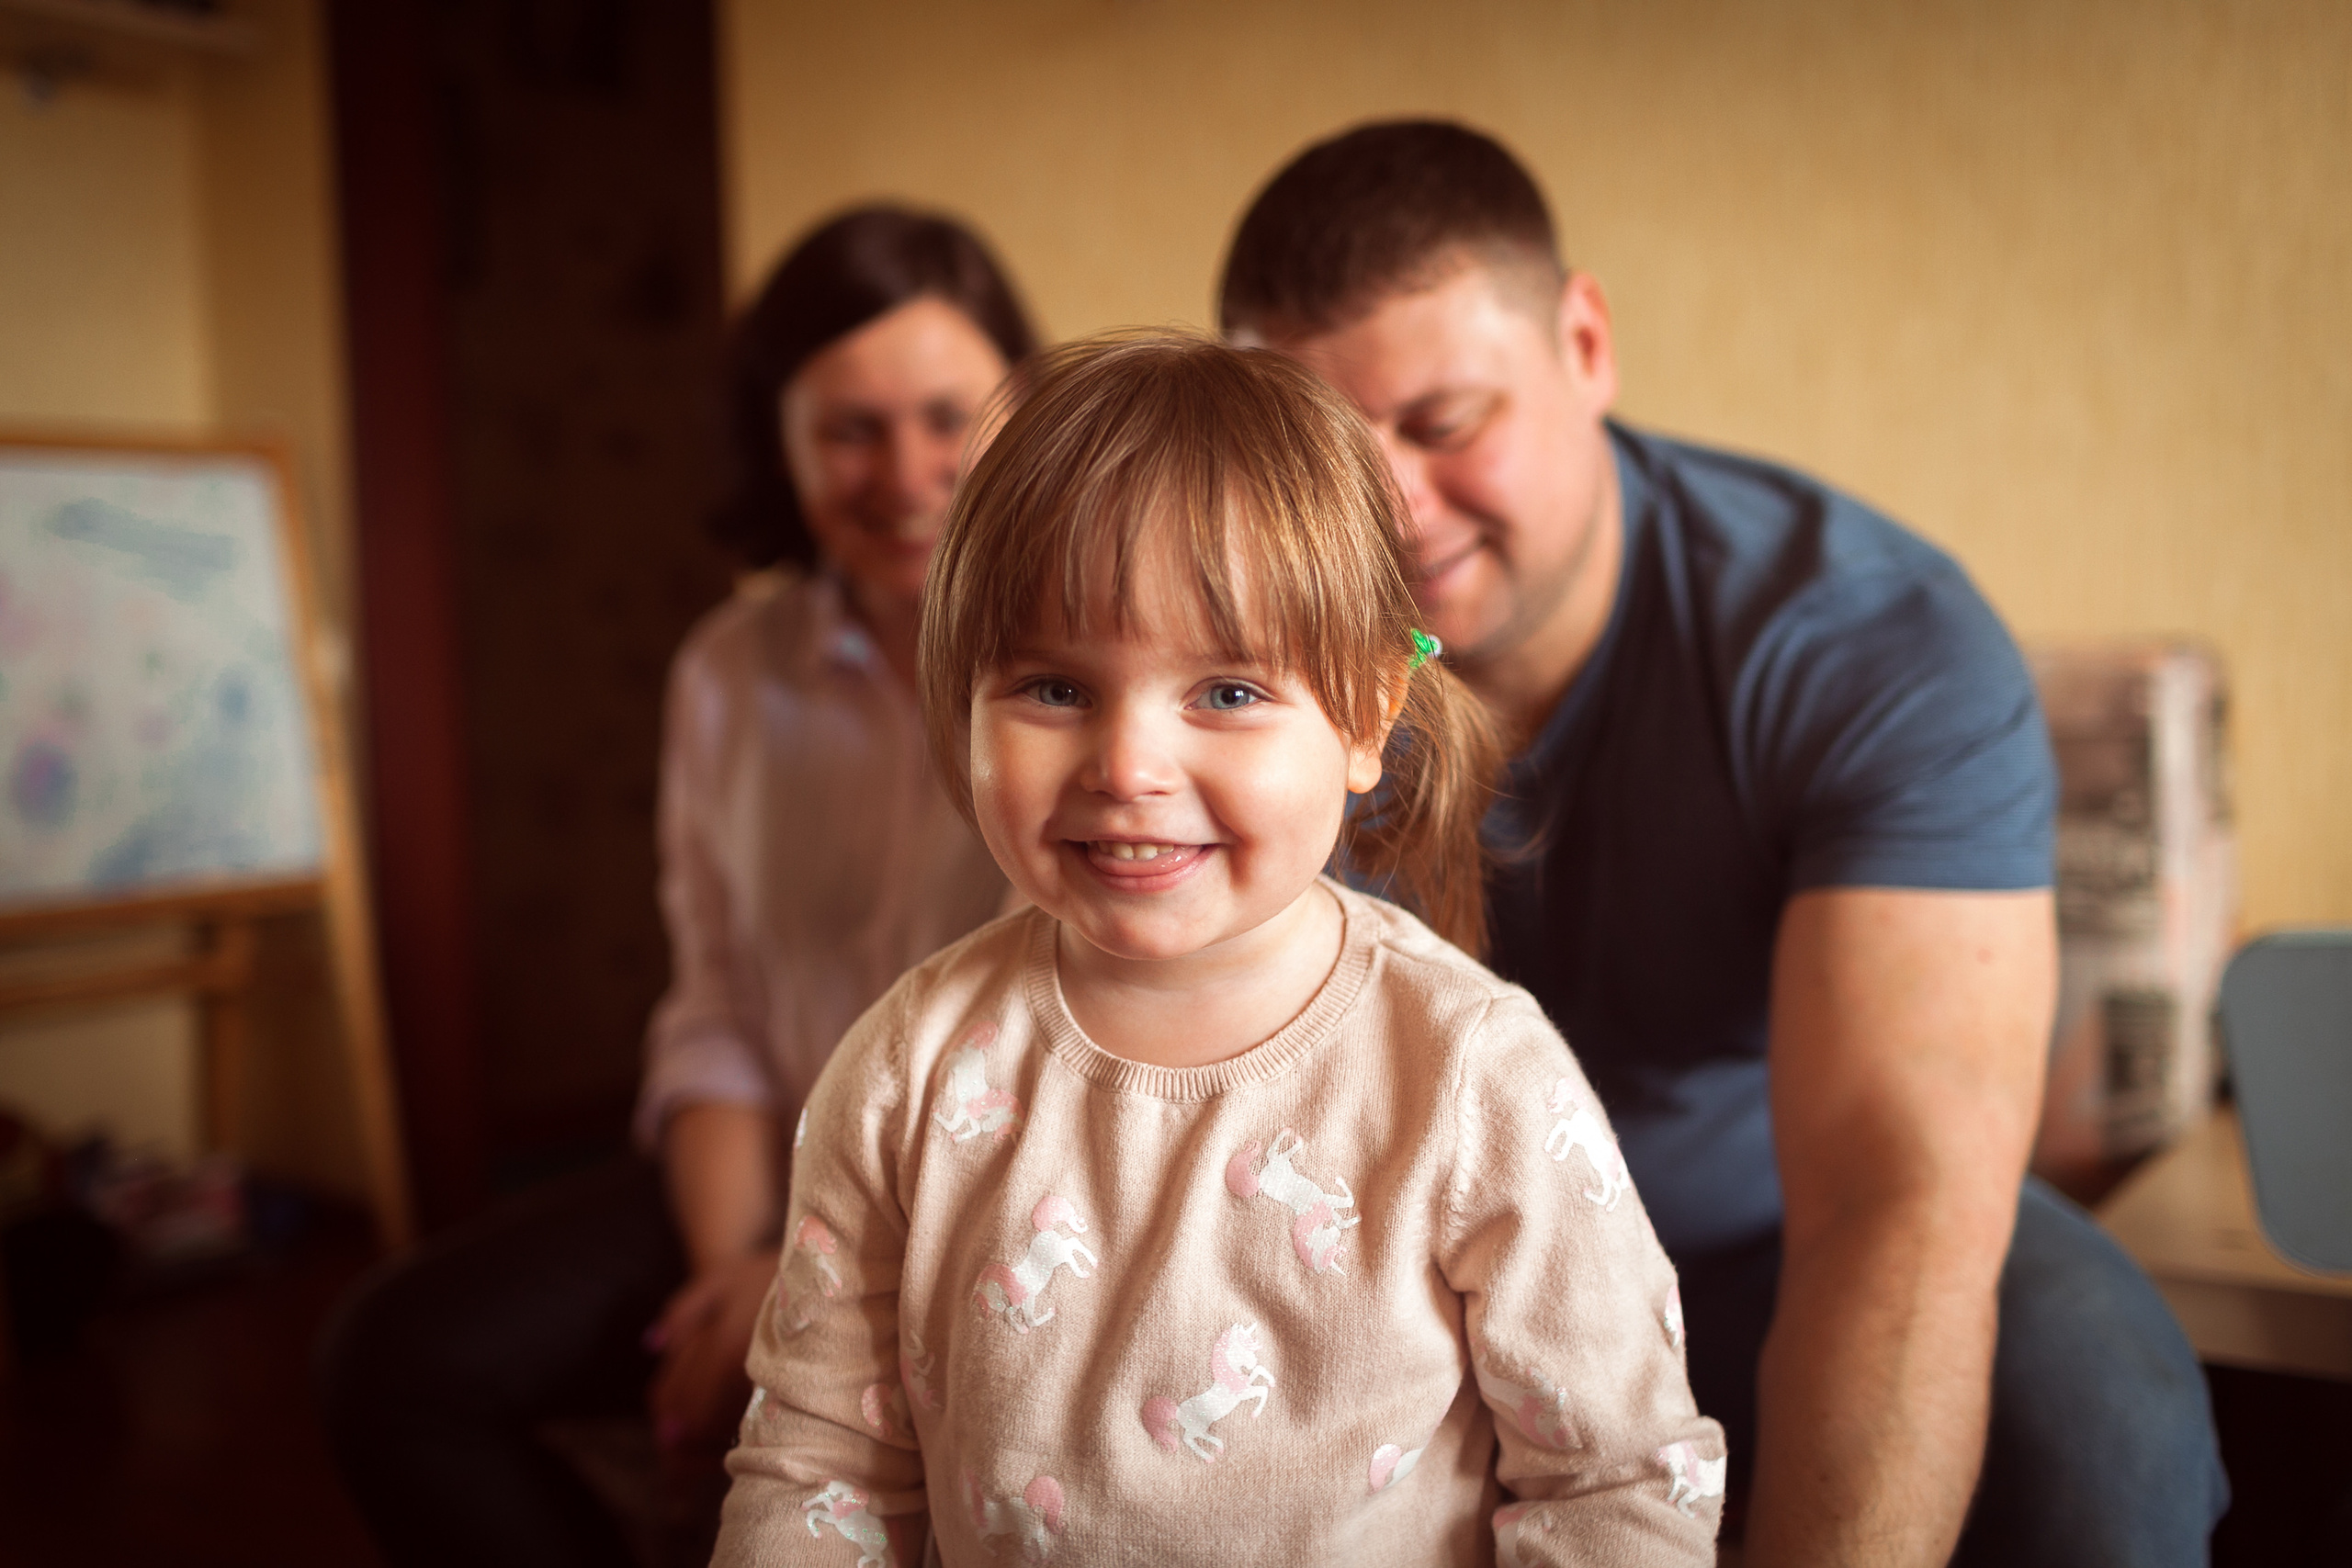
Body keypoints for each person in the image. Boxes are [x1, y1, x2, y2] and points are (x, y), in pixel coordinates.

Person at [1216, 121, 2227, 1568]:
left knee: (2100, 1418)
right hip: (1375, 1260)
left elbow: (1900, 1195)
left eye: (1447, 423)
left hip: (1771, 1224)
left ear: (1584, 341)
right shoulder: (1220, 667)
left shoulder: (1870, 645)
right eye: (1324, 453)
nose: (1392, 514)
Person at [712, 333, 1724, 1566]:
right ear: (962, 704)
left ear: (1365, 719)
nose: (1129, 767)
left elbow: (1618, 1482)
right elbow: (818, 1471)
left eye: (1228, 693)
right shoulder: (904, 1073)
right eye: (1055, 688)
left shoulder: (1469, 1074)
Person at [320, 207, 1037, 1568]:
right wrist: (736, 1270)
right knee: (393, 1361)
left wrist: (813, 1291)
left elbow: (1051, 1046)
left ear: (1021, 415)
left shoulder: (1082, 670)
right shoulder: (728, 671)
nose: (904, 474)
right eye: (849, 428)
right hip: (749, 1176)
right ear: (777, 435)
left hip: (988, 1211)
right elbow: (714, 1001)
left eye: (948, 417)